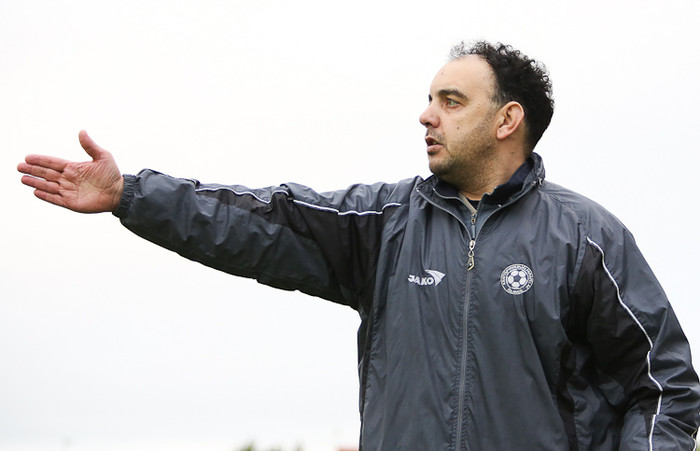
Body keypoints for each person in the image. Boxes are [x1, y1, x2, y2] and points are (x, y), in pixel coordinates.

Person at [18, 41, 700, 450]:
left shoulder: (585, 238)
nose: (426, 115)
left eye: (451, 101)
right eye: (430, 99)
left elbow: (665, 388)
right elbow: (257, 222)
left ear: (507, 120)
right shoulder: (382, 224)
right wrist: (132, 193)